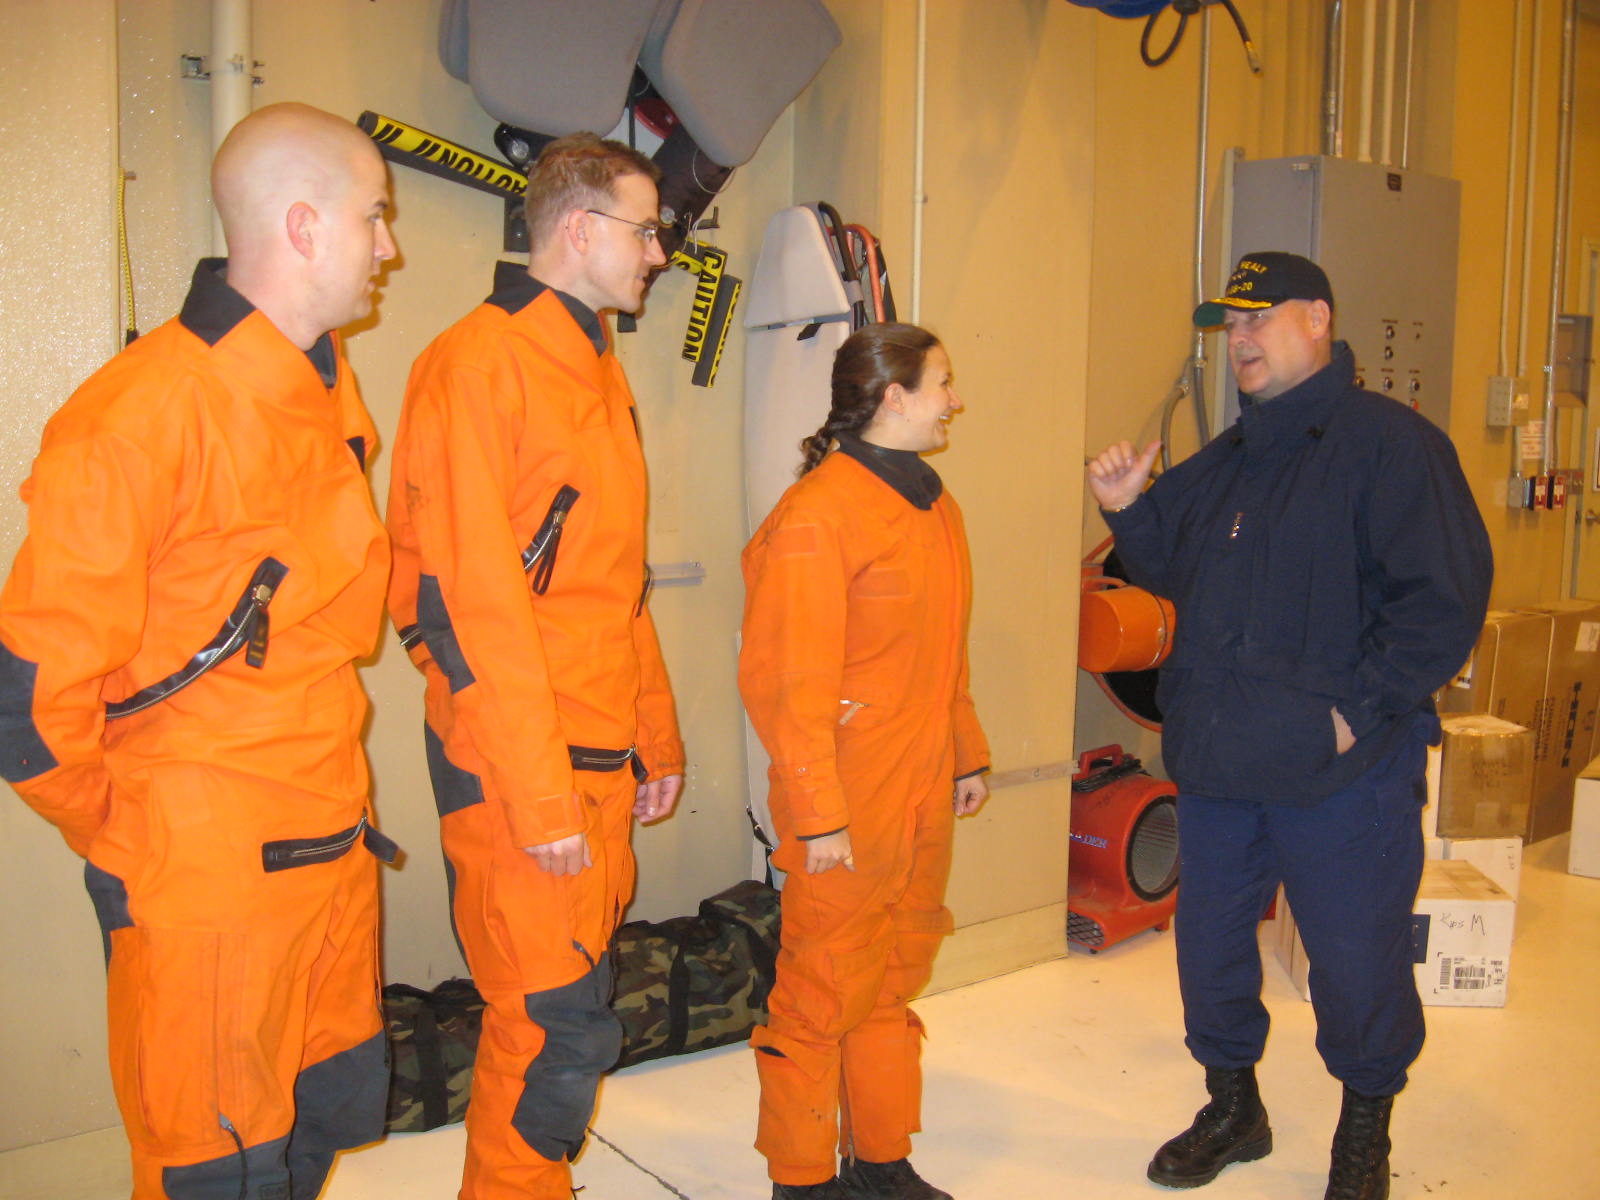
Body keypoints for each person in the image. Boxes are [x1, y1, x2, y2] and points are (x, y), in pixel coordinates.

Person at [0, 102, 399, 1199]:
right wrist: (144, 833)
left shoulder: (321, 387)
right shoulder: (140, 415)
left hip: (327, 840)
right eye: (376, 218)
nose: (390, 246)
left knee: (309, 1130)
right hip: (206, 879)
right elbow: (29, 707)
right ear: (308, 227)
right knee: (215, 1171)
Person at [1087, 251, 1492, 1200]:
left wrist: (1356, 714)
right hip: (1225, 767)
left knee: (1356, 964)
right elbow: (1167, 570)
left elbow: (1443, 600)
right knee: (1212, 954)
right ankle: (1235, 1107)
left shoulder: (1393, 447)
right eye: (1230, 326)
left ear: (1318, 318)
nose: (1241, 341)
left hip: (1340, 777)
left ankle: (1365, 1128)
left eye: (1259, 320)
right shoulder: (1230, 457)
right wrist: (1125, 509)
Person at [385, 132, 685, 1200]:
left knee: (556, 1015)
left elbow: (614, 582)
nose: (659, 253)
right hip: (527, 769)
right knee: (554, 1031)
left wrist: (654, 729)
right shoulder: (478, 363)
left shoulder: (596, 364)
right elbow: (459, 601)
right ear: (577, 228)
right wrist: (538, 783)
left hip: (595, 752)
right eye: (646, 230)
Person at [740, 323, 991, 1200]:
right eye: (943, 383)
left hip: (919, 785)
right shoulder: (817, 517)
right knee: (821, 988)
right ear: (894, 398)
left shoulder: (932, 504)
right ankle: (802, 1181)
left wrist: (964, 755)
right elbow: (784, 684)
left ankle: (881, 1164)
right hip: (849, 795)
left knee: (892, 974)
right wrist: (819, 815)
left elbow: (944, 656)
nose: (954, 400)